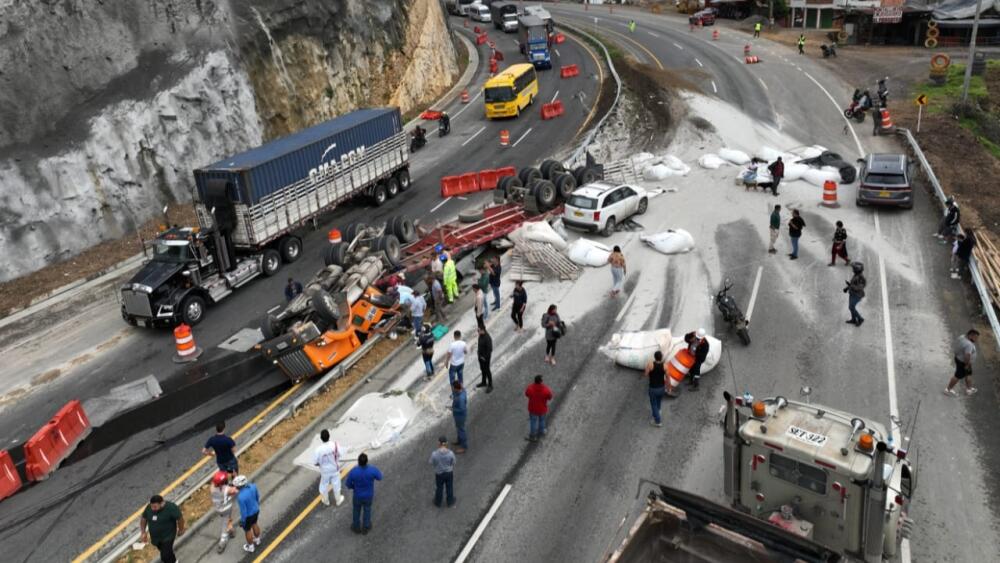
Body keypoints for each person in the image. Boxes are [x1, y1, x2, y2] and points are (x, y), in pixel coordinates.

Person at [140, 495, 185, 563]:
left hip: (168, 536)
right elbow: (144, 518)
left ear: (162, 503)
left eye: (155, 506)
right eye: (152, 506)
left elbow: (180, 518)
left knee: (164, 556)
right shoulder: (149, 507)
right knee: (166, 552)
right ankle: (174, 561)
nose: (152, 508)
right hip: (156, 538)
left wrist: (181, 529)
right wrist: (143, 532)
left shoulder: (171, 508)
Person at [345, 453, 383, 534]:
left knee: (356, 511)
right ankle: (366, 526)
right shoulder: (372, 470)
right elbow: (380, 477)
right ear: (367, 461)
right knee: (367, 510)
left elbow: (348, 484)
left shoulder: (354, 471)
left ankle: (356, 527)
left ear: (358, 462)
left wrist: (354, 487)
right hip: (368, 495)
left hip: (357, 496)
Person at [313, 429, 345, 507]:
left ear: (321, 438)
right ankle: (338, 500)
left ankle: (326, 500)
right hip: (334, 469)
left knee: (324, 485)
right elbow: (340, 454)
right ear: (329, 436)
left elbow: (315, 462)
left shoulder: (318, 450)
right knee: (336, 484)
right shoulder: (335, 445)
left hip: (325, 471)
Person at [945, 329, 979, 396]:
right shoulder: (969, 344)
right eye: (975, 337)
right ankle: (948, 390)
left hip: (959, 358)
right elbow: (967, 355)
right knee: (957, 376)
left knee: (968, 374)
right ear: (970, 335)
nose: (976, 339)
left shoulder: (962, 337)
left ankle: (969, 389)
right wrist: (966, 364)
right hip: (963, 363)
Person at [232, 475, 262, 553]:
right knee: (255, 523)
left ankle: (251, 547)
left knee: (247, 530)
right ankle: (257, 540)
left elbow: (243, 511)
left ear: (239, 486)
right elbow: (257, 497)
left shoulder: (240, 497)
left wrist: (243, 521)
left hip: (248, 516)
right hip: (256, 510)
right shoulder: (253, 486)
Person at [210, 471, 236, 553]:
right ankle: (222, 541)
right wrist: (234, 478)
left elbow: (213, 482)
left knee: (228, 519)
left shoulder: (212, 488)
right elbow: (235, 490)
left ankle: (231, 530)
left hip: (218, 508)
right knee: (225, 523)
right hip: (226, 508)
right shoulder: (226, 489)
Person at [525, 375, 554, 442]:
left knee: (533, 422)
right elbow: (550, 397)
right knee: (542, 420)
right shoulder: (546, 389)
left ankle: (533, 436)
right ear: (541, 381)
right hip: (542, 409)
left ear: (535, 381)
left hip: (533, 409)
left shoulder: (530, 388)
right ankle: (542, 430)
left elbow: (526, 394)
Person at [430, 436, 456, 507]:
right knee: (449, 487)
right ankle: (450, 502)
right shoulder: (450, 453)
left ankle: (438, 502)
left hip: (439, 474)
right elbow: (453, 462)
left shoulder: (434, 454)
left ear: (439, 443)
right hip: (449, 473)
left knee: (439, 488)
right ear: (446, 443)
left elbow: (431, 462)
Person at [643, 351, 667, 427]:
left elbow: (646, 374)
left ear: (655, 357)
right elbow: (668, 377)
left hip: (653, 388)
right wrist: (669, 387)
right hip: (662, 387)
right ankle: (658, 412)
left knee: (653, 404)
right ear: (661, 357)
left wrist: (647, 369)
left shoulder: (650, 365)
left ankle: (658, 421)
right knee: (658, 401)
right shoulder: (665, 366)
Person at [845, 262, 866, 327]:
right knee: (851, 308)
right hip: (852, 293)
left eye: (854, 268)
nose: (852, 269)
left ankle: (860, 319)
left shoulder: (861, 278)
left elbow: (859, 287)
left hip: (857, 295)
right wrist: (847, 288)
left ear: (857, 270)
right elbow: (853, 284)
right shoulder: (856, 275)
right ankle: (853, 319)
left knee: (851, 307)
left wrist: (850, 286)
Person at [451, 381, 468, 453]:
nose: (452, 389)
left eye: (453, 388)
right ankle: (459, 440)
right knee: (459, 428)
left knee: (461, 430)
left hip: (460, 416)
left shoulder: (460, 398)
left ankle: (464, 447)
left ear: (456, 389)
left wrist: (452, 409)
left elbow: (461, 409)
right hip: (459, 415)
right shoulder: (462, 391)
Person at [476, 327, 494, 392]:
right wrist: (478, 354)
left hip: (485, 358)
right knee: (482, 370)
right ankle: (484, 382)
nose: (478, 332)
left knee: (487, 370)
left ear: (483, 330)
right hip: (480, 357)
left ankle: (490, 385)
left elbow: (490, 349)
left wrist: (485, 357)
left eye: (479, 331)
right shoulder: (480, 336)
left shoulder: (487, 338)